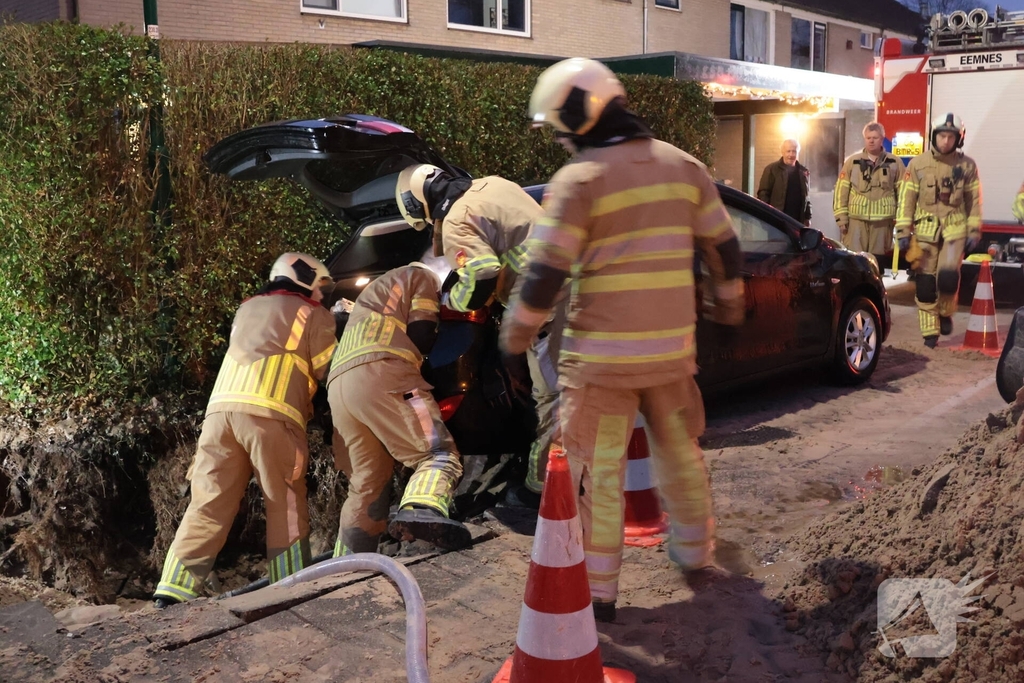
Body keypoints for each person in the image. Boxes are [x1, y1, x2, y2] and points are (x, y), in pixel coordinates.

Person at [500, 57, 745, 622]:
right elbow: (725, 247)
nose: (561, 140)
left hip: (602, 364)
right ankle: (696, 555)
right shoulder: (684, 167)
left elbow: (545, 275)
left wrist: (514, 340)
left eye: (559, 128)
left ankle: (599, 593)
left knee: (597, 474)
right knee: (681, 454)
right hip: (671, 355)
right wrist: (728, 304)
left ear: (579, 114)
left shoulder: (580, 181)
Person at [154, 253, 337, 607]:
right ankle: (289, 587)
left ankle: (172, 590)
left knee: (208, 502)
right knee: (284, 503)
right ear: (308, 280)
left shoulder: (246, 309)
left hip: (219, 416)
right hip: (272, 414)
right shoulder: (314, 314)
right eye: (321, 288)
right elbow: (328, 368)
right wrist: (341, 325)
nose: (322, 296)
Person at [395, 164, 565, 509]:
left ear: (418, 204)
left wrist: (455, 300)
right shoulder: (495, 183)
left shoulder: (456, 220)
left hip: (547, 305)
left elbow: (482, 272)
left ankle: (542, 488)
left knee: (554, 400)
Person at [327, 262, 471, 555]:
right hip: (383, 371)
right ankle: (422, 511)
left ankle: (347, 565)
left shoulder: (370, 298)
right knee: (437, 454)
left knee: (367, 484)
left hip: (339, 385)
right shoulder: (421, 276)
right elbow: (422, 332)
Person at [895, 113, 982, 348]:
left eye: (951, 137)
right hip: (925, 231)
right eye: (942, 136)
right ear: (933, 136)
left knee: (948, 278)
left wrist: (974, 230)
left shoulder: (967, 165)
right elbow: (906, 200)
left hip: (955, 230)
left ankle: (945, 312)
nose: (946, 141)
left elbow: (974, 200)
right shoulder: (917, 164)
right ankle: (929, 334)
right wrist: (903, 231)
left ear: (959, 139)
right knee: (925, 285)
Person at [833, 122, 905, 267]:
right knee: (854, 260)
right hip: (856, 222)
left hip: (882, 223)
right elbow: (841, 191)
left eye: (875, 138)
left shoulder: (894, 162)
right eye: (868, 138)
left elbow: (904, 192)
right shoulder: (852, 162)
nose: (871, 141)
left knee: (877, 262)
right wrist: (841, 218)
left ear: (882, 139)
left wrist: (902, 219)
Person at [757, 139, 812, 225]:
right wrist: (767, 216)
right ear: (782, 152)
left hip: (797, 222)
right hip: (777, 221)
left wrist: (807, 217)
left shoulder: (803, 171)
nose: (791, 154)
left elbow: (807, 197)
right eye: (788, 151)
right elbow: (763, 194)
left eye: (794, 151)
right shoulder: (771, 169)